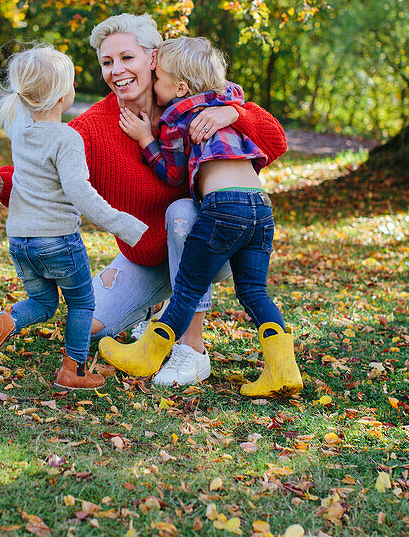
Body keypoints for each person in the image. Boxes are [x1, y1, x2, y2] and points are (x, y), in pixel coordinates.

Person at [0, 14, 288, 386]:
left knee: (182, 211)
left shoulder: (195, 99)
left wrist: (234, 111)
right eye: (107, 62)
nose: (116, 70)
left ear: (153, 58)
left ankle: (192, 349)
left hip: (208, 245)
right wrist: (0, 182)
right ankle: (151, 311)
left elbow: (275, 139)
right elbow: (48, 162)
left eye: (126, 58)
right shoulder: (94, 127)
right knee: (87, 326)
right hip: (144, 254)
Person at [105, 37, 302, 397]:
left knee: (187, 289)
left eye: (159, 80)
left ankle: (147, 356)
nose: (156, 86)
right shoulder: (227, 98)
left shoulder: (178, 115)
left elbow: (174, 175)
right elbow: (238, 96)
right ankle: (282, 369)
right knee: (255, 292)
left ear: (180, 87)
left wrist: (148, 139)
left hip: (223, 209)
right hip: (260, 206)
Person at [0, 45, 147, 390]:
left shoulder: (22, 133)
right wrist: (123, 224)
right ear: (63, 94)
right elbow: (79, 192)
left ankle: (1, 324)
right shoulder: (67, 138)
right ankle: (73, 371)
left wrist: (0, 180)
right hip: (58, 241)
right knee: (82, 303)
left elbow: (24, 174)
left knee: (43, 302)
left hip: (20, 241)